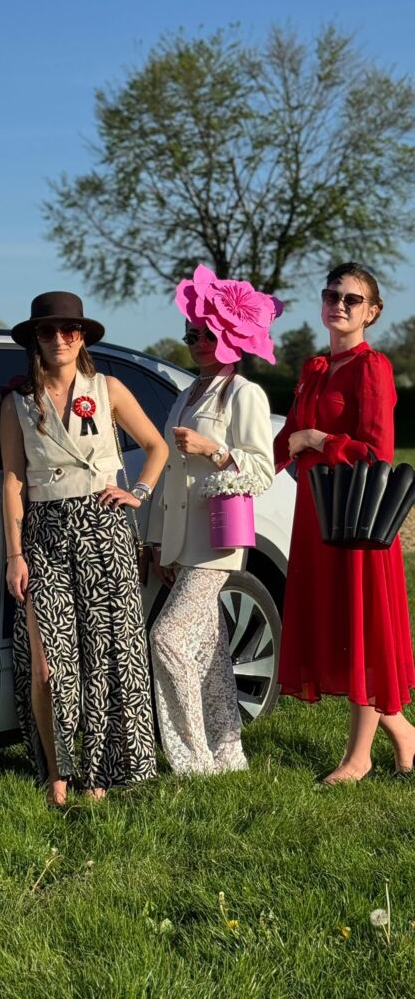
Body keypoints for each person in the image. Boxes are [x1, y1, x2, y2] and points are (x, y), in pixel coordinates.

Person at [0, 291, 169, 805]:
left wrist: (139, 492)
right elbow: (13, 480)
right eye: (48, 331)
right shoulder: (18, 403)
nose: (60, 339)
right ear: (35, 339)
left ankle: (100, 771)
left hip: (104, 530)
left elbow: (157, 446)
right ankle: (57, 770)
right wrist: (15, 554)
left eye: (69, 330)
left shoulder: (108, 388)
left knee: (107, 655)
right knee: (47, 663)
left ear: (82, 337)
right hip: (45, 534)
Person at [274, 262, 415, 783]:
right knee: (338, 626)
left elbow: (377, 451)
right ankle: (403, 733)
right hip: (315, 516)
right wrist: (232, 461)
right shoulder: (314, 368)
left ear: (371, 312)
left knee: (362, 627)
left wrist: (319, 441)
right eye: (331, 295)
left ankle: (359, 756)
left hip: (358, 517)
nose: (339, 304)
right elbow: (283, 441)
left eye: (352, 299)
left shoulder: (371, 367)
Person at [146, 265, 278, 776]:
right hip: (182, 541)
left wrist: (214, 450)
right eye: (190, 335)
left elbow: (262, 469)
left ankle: (193, 759)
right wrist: (158, 541)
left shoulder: (244, 393)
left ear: (230, 336)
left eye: (205, 334)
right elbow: (168, 476)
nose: (197, 343)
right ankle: (227, 754)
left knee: (168, 639)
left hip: (218, 540)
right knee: (210, 652)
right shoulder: (187, 394)